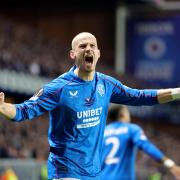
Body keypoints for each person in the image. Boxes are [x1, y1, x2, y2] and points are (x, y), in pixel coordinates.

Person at [0, 32, 180, 180]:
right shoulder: (58, 88)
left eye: (92, 46)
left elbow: (140, 96)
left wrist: (177, 92)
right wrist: (2, 107)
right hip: (65, 171)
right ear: (73, 54)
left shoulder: (106, 84)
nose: (88, 49)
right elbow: (23, 110)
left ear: (98, 53)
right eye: (83, 46)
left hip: (94, 173)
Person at [101, 105, 180, 180]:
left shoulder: (102, 134)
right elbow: (146, 146)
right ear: (122, 114)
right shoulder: (131, 129)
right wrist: (170, 164)